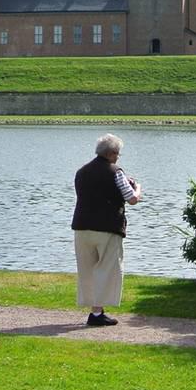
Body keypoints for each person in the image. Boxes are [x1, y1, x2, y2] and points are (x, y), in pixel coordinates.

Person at [71, 133, 142, 327]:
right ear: (111, 153)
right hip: (107, 228)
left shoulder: (81, 171)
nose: (118, 157)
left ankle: (95, 312)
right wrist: (137, 188)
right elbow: (131, 199)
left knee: (87, 270)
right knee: (107, 269)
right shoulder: (115, 172)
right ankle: (97, 313)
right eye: (118, 153)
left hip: (82, 227)